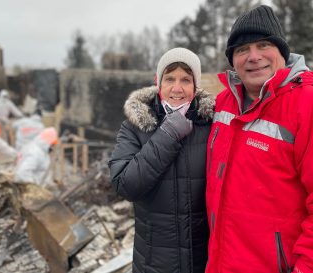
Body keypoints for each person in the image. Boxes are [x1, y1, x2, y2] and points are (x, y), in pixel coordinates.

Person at [206, 5, 313, 273]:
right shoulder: (223, 103)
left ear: (282, 53)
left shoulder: (306, 104)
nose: (254, 57)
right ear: (233, 60)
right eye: (242, 50)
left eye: (263, 45)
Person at [109, 48, 214, 273]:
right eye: (170, 79)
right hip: (153, 264)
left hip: (204, 262)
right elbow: (125, 185)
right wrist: (168, 134)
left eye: (186, 79)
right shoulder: (135, 127)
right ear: (158, 82)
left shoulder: (212, 124)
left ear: (195, 86)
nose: (177, 88)